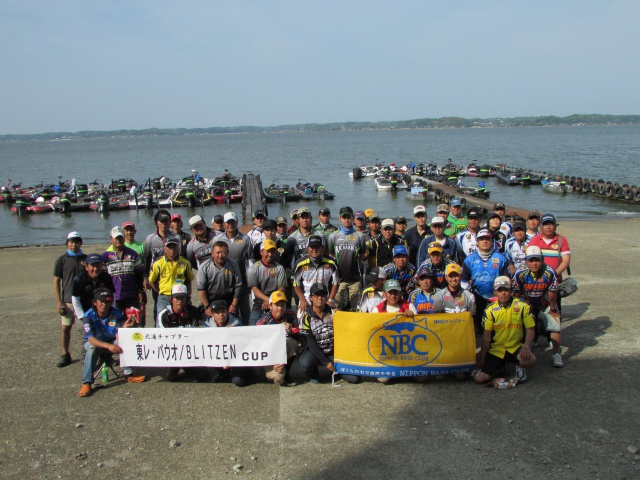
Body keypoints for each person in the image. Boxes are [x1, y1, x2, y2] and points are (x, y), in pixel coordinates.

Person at [77, 288, 145, 397]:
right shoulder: (88, 316)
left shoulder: (115, 312)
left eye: (108, 301)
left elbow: (118, 332)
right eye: (102, 301)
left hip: (110, 339)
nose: (105, 304)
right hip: (95, 342)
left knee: (124, 341)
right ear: (95, 302)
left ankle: (129, 374)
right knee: (91, 347)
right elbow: (90, 339)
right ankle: (87, 383)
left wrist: (124, 328)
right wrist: (108, 346)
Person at [474, 276, 536, 385]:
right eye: (500, 290)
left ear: (511, 290)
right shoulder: (490, 309)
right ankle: (501, 368)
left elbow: (530, 329)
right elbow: (486, 335)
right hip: (496, 349)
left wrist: (526, 346)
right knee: (479, 379)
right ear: (495, 292)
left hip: (515, 347)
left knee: (530, 360)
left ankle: (519, 366)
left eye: (506, 290)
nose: (503, 293)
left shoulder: (523, 306)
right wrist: (482, 358)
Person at [298, 283, 360, 384]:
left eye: (323, 295)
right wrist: (326, 362)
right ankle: (314, 375)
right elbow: (310, 342)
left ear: (327, 297)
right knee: (305, 362)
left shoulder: (334, 313)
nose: (320, 298)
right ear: (311, 298)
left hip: (334, 352)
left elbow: (346, 332)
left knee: (354, 379)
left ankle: (337, 371)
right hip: (316, 353)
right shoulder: (305, 317)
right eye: (316, 295)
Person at [512, 245, 563, 367]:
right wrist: (517, 311)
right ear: (526, 261)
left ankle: (556, 354)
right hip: (527, 302)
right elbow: (517, 294)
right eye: (531, 260)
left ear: (542, 260)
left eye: (537, 260)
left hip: (545, 301)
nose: (534, 263)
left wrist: (553, 309)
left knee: (555, 323)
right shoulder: (520, 273)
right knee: (519, 325)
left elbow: (552, 294)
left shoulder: (550, 272)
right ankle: (524, 349)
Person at [158, 283, 209, 382]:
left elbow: (199, 333)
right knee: (172, 378)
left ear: (186, 299)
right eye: (177, 298)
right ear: (171, 299)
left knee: (203, 376)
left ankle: (187, 367)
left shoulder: (193, 311)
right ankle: (174, 368)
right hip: (172, 349)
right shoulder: (164, 315)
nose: (180, 301)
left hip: (190, 349)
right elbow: (162, 338)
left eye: (183, 298)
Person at [461, 229, 509, 333]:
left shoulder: (501, 259)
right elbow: (463, 280)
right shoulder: (469, 260)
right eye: (481, 239)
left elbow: (507, 280)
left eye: (487, 239)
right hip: (477, 297)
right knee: (480, 328)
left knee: (497, 328)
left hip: (497, 298)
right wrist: (469, 295)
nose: (485, 241)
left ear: (492, 241)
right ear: (477, 242)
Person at [53, 231, 87, 367]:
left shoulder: (86, 258)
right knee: (65, 328)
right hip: (67, 300)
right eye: (72, 242)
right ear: (67, 243)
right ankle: (65, 354)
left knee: (85, 328)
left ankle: (87, 354)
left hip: (84, 300)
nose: (74, 245)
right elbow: (56, 281)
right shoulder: (61, 260)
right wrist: (58, 301)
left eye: (77, 242)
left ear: (81, 243)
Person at [215, 211, 253, 324]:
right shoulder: (218, 239)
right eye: (227, 222)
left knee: (245, 311)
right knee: (230, 312)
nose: (230, 225)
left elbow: (250, 261)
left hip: (242, 281)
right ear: (224, 224)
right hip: (225, 282)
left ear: (236, 222)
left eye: (232, 222)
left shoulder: (246, 239)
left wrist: (250, 280)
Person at [327, 206, 367, 311]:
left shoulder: (359, 236)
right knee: (337, 307)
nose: (346, 220)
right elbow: (330, 255)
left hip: (355, 278)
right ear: (340, 218)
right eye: (344, 217)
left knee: (355, 307)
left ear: (353, 218)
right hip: (338, 279)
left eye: (348, 217)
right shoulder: (333, 236)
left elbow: (362, 255)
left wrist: (357, 265)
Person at [256, 291, 300, 386]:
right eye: (277, 305)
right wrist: (272, 364)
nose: (280, 308)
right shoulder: (263, 321)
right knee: (279, 378)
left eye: (282, 305)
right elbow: (257, 345)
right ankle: (265, 371)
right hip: (269, 355)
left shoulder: (291, 314)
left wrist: (291, 331)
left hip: (282, 351)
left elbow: (300, 334)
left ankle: (287, 372)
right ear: (270, 306)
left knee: (293, 342)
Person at [148, 236, 194, 324]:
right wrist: (159, 291)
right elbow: (151, 281)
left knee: (183, 321)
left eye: (174, 246)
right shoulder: (158, 264)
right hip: (164, 297)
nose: (172, 249)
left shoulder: (186, 263)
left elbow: (189, 280)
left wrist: (187, 295)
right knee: (161, 322)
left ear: (178, 248)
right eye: (169, 247)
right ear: (164, 248)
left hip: (180, 297)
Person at [203, 300, 249, 387]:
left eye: (223, 311)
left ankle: (247, 372)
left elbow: (243, 345)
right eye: (217, 312)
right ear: (212, 314)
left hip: (236, 359)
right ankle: (223, 373)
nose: (221, 315)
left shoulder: (237, 323)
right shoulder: (207, 325)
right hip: (219, 357)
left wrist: (235, 333)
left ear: (227, 312)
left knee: (238, 382)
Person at [101, 226, 145, 315]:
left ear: (124, 238)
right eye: (116, 238)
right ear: (111, 239)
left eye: (120, 237)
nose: (118, 240)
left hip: (131, 294)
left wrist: (141, 291)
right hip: (113, 296)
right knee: (115, 322)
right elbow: (102, 277)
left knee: (133, 321)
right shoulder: (105, 256)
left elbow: (139, 273)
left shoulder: (133, 254)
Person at [196, 241, 243, 320]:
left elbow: (238, 286)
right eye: (217, 253)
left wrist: (234, 305)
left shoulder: (233, 265)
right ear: (212, 253)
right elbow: (201, 288)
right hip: (210, 302)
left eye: (223, 252)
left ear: (228, 253)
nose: (220, 255)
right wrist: (207, 306)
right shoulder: (204, 267)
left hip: (228, 302)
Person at [292, 235, 339, 311]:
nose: (314, 249)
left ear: (322, 248)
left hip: (324, 298)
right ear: (308, 248)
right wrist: (303, 301)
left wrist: (330, 300)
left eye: (317, 247)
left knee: (333, 319)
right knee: (302, 319)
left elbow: (336, 283)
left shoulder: (331, 263)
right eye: (312, 247)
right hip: (307, 298)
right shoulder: (300, 264)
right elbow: (296, 285)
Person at [247, 239, 287, 325]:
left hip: (277, 303)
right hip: (259, 303)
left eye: (272, 252)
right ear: (261, 252)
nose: (270, 254)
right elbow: (254, 288)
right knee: (252, 328)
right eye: (267, 251)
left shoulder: (280, 268)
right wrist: (267, 300)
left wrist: (271, 302)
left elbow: (281, 288)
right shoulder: (253, 269)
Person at [144, 210, 174, 319]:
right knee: (157, 304)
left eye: (166, 221)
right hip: (156, 278)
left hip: (173, 277)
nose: (164, 224)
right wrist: (146, 278)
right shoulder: (150, 239)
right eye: (161, 221)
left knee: (174, 304)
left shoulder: (176, 237)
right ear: (157, 222)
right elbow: (146, 259)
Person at [71, 253, 114, 320]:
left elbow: (111, 296)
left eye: (98, 265)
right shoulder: (79, 279)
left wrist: (110, 312)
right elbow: (75, 299)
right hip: (85, 312)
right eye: (93, 265)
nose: (96, 268)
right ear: (86, 267)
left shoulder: (107, 278)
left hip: (103, 313)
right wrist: (82, 316)